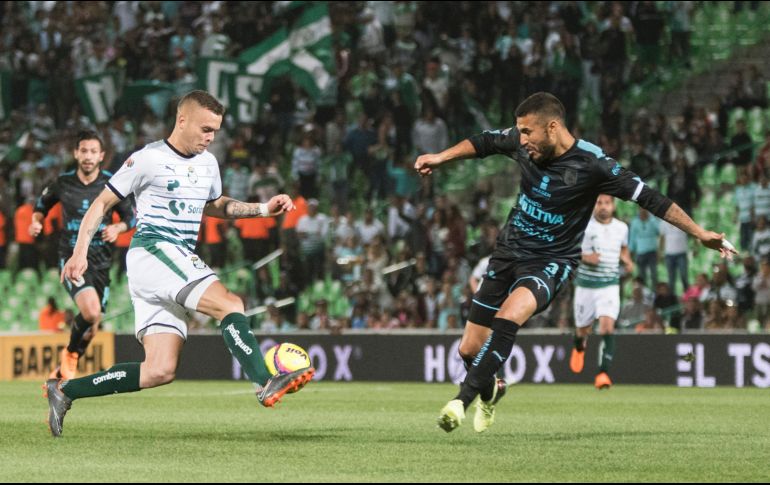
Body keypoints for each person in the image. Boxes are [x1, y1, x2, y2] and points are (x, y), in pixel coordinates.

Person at [414, 92, 735, 434]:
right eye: (519, 132)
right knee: (469, 348)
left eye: (527, 133)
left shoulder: (594, 164)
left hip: (550, 261)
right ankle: (492, 389)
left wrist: (699, 232)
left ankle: (460, 401)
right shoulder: (521, 141)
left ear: (552, 128)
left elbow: (652, 199)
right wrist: (440, 157)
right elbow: (483, 143)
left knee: (509, 315)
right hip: (508, 252)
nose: (521, 140)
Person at [46, 91, 314, 438]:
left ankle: (64, 391)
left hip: (167, 262)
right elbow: (101, 204)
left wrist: (262, 209)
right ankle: (265, 382)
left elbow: (215, 205)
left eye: (215, 131)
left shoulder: (208, 163)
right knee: (230, 303)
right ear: (182, 120)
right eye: (205, 129)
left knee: (159, 370)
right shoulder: (148, 159)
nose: (211, 137)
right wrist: (80, 252)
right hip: (155, 250)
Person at [30, 131, 136, 380]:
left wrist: (118, 228)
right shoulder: (63, 183)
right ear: (76, 153)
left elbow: (131, 216)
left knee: (91, 327)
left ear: (101, 156)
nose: (88, 156)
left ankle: (64, 366)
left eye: (93, 152)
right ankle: (68, 359)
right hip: (72, 259)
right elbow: (40, 206)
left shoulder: (112, 184)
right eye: (84, 151)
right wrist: (36, 222)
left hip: (102, 262)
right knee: (90, 312)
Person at [570, 194, 633, 389]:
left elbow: (623, 249)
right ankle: (579, 346)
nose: (603, 207)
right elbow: (570, 248)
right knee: (583, 330)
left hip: (609, 285)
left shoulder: (622, 228)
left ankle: (602, 374)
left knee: (607, 327)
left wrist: (627, 261)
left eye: (607, 203)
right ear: (594, 205)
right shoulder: (584, 226)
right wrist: (586, 257)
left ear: (613, 206)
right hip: (586, 286)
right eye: (599, 203)